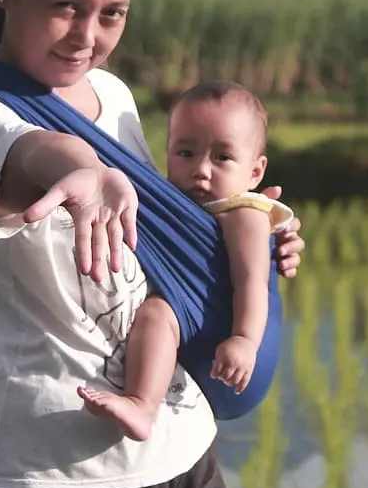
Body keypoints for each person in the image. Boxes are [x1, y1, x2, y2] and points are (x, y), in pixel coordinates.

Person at [0, 0, 307, 488]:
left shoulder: (113, 95)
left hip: (179, 446)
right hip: (50, 469)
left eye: (112, 14)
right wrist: (85, 167)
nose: (86, 36)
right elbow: (32, 151)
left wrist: (252, 232)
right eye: (66, 7)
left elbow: (163, 237)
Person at [77, 80, 292, 442]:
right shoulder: (168, 203)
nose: (201, 170)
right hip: (193, 348)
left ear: (255, 172)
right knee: (157, 314)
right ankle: (142, 407)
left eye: (222, 157)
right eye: (185, 153)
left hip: (232, 351)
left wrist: (243, 339)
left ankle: (141, 403)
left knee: (159, 312)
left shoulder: (245, 213)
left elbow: (253, 281)